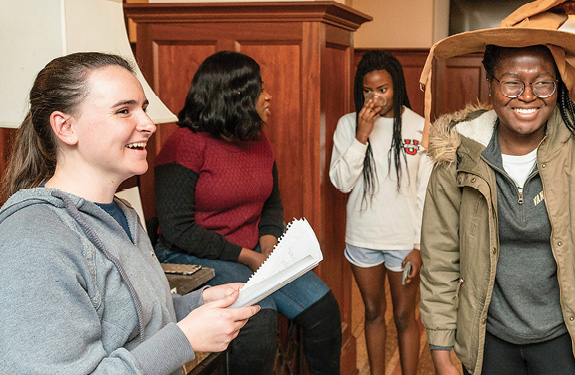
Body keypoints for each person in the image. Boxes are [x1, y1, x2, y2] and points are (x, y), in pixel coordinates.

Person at [418, 2, 575, 375]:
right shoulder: (459, 157)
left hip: (572, 346)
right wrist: (441, 349)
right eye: (512, 82)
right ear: (491, 84)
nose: (527, 95)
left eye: (542, 82)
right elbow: (440, 261)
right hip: (488, 344)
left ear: (558, 85)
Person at [0, 52, 259, 374]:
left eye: (143, 109)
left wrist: (197, 304)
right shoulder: (32, 240)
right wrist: (185, 338)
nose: (148, 125)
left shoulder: (121, 213)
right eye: (124, 111)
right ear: (65, 127)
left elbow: (129, 318)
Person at [153, 51, 341, 375]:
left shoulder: (257, 138)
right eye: (259, 88)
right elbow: (177, 228)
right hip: (195, 254)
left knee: (323, 310)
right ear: (235, 95)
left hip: (254, 252)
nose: (268, 95)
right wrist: (247, 257)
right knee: (259, 318)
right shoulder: (183, 144)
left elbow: (271, 203)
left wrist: (268, 245)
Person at [329, 50, 432, 375]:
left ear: (396, 87)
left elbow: (424, 193)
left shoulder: (418, 127)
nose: (375, 98)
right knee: (372, 312)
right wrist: (362, 134)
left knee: (404, 316)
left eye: (382, 89)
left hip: (404, 242)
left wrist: (418, 246)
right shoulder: (349, 124)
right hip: (363, 238)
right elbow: (341, 183)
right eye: (367, 91)